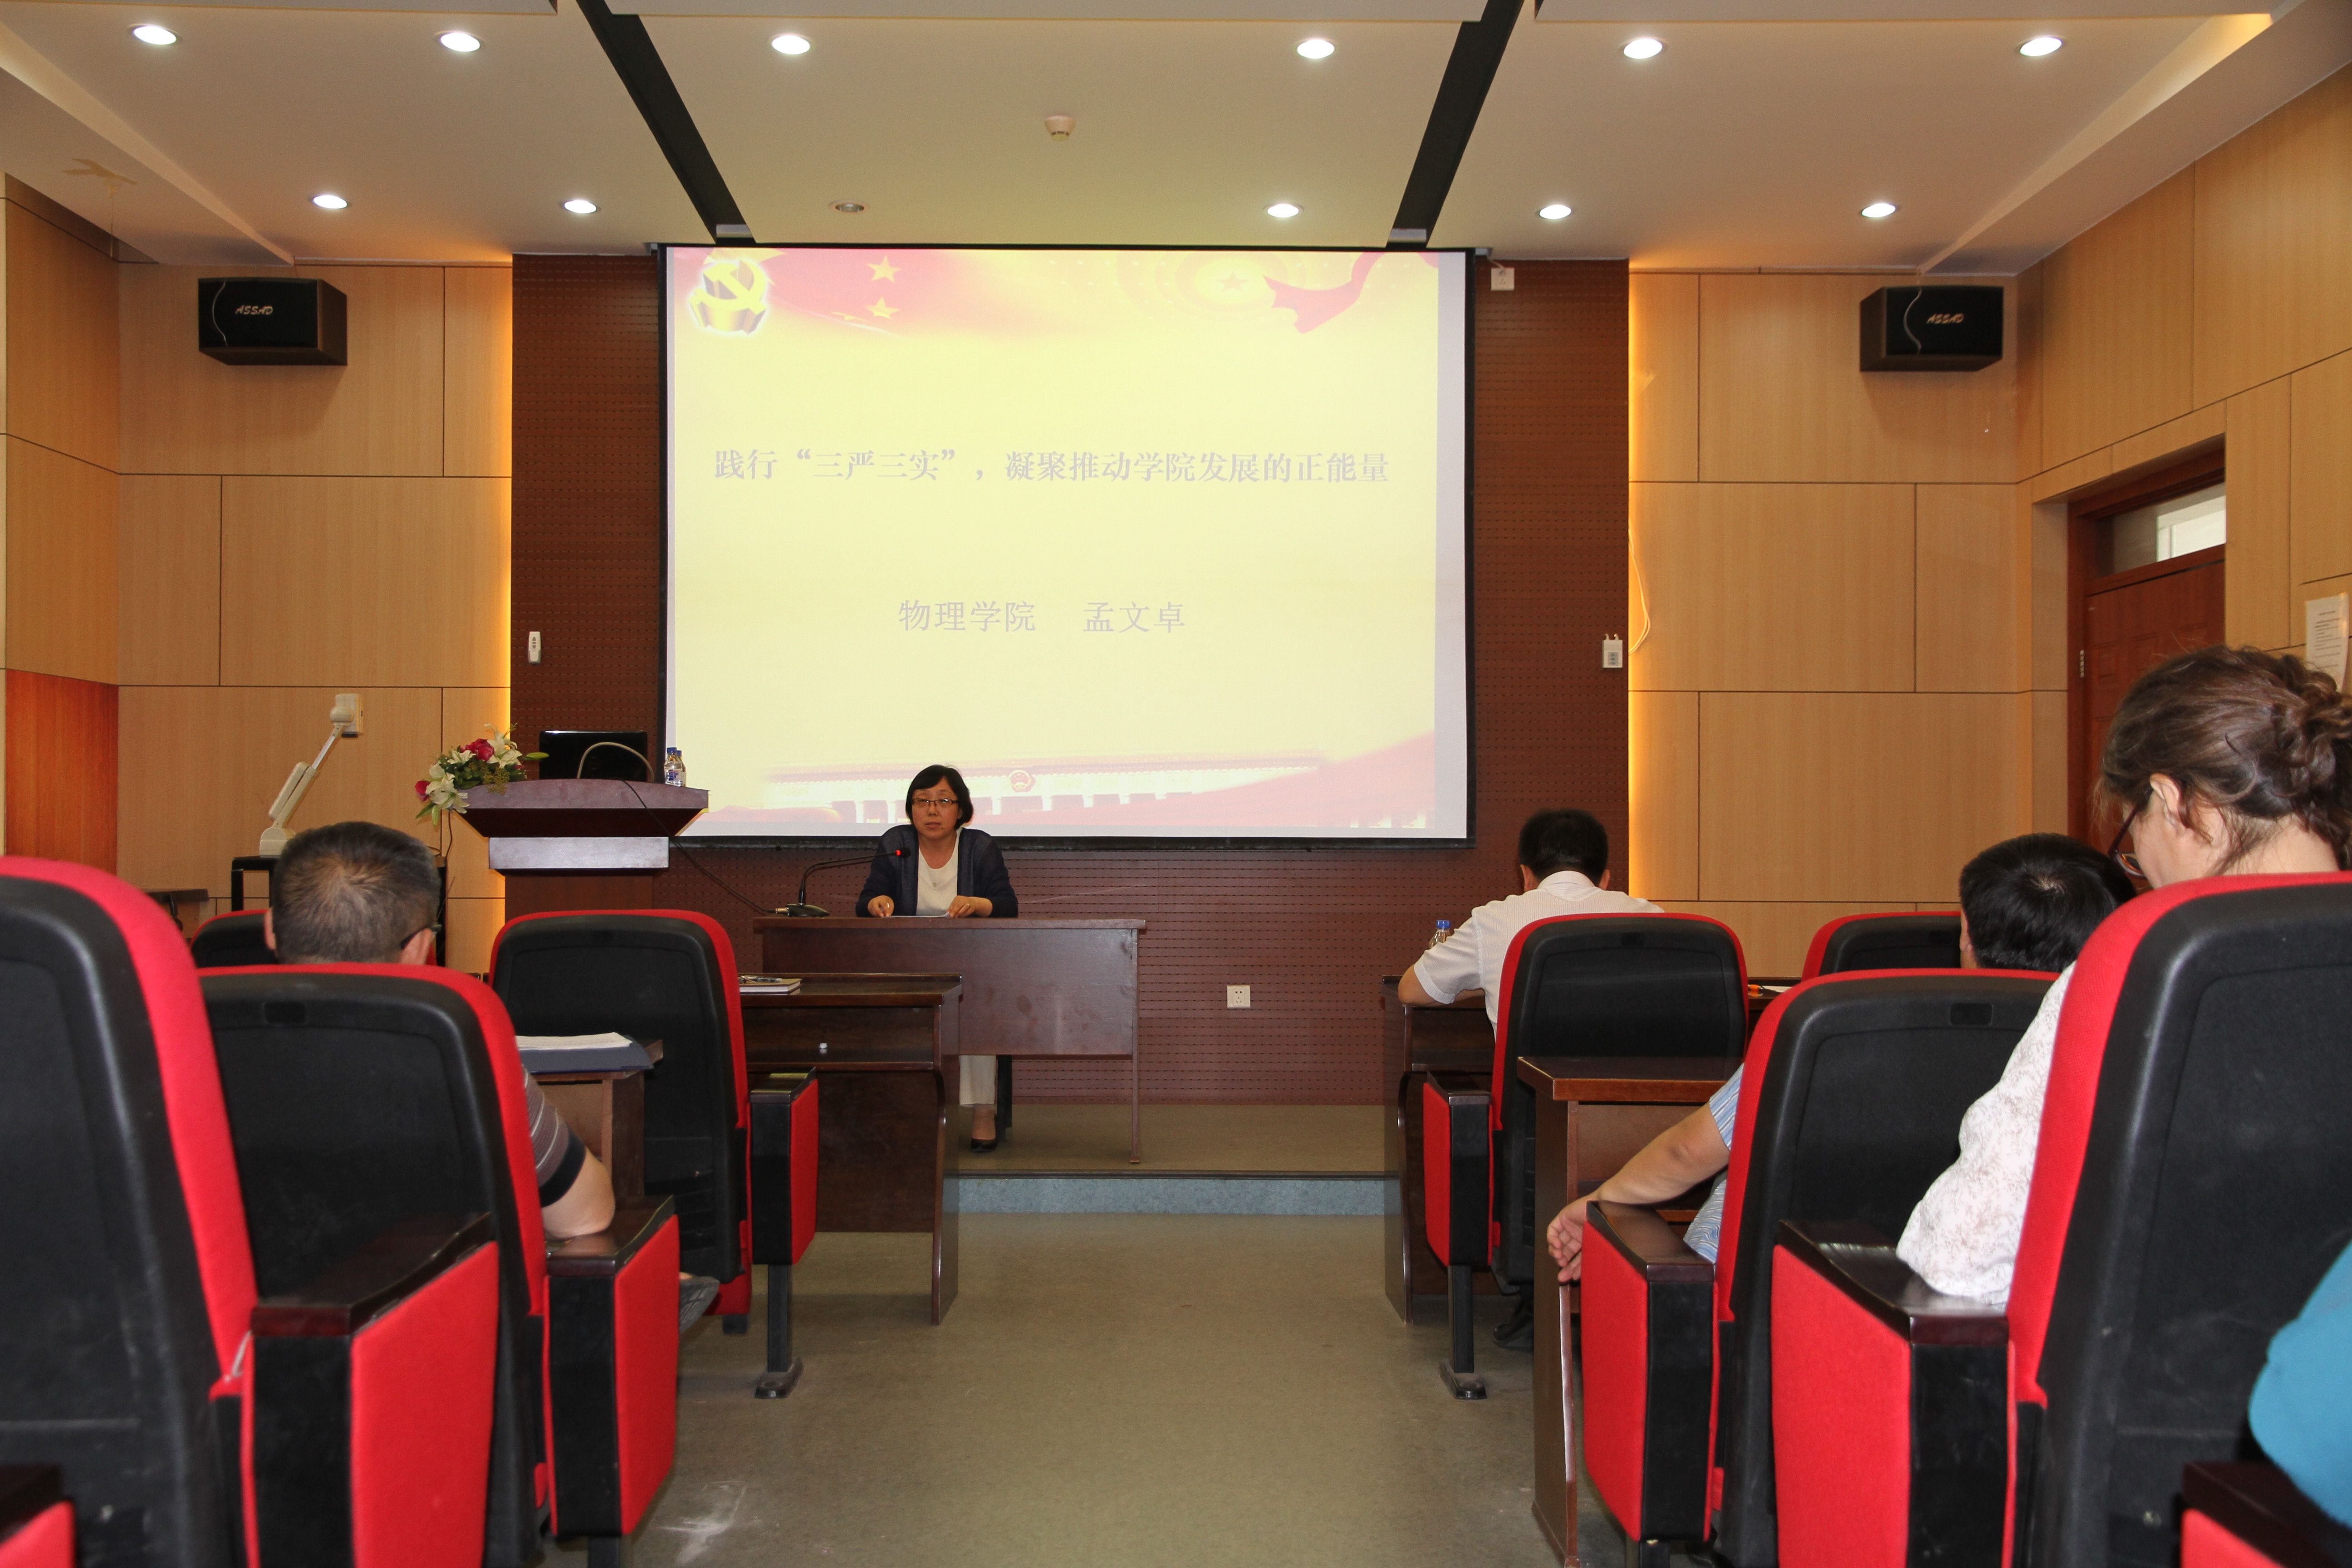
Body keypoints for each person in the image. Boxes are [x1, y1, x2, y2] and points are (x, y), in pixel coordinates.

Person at [1900, 646, 2350, 1303]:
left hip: (2168, 1358)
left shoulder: (2138, 974)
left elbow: (1959, 1259)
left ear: (2173, 802)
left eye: (2133, 831)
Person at [1544, 832, 2134, 1284]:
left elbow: (1687, 1153)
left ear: (1967, 937)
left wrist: (1600, 1201)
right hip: (1968, 1306)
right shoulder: (2119, 1047)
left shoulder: (1838, 1030)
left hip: (1758, 1294)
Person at [264, 819, 617, 1240]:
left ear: (269, 928)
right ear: (418, 948)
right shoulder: (457, 1040)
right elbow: (584, 1217)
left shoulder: (199, 1038)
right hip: (427, 1281)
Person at [1404, 808, 1658, 1347]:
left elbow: (1413, 990)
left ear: (1525, 874)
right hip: (1640, 1127)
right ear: (1606, 877)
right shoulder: (1654, 920)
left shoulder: (1497, 920)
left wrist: (1485, 980)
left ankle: (1534, 1298)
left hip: (1534, 1128)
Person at [858, 764, 1020, 1151]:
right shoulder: (896, 844)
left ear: (961, 810)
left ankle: (982, 1111)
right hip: (907, 964)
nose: (932, 810)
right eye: (923, 801)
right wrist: (877, 902)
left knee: (980, 1010)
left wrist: (978, 904)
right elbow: (866, 901)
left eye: (944, 801)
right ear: (911, 808)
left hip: (971, 963)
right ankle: (911, 1109)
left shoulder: (979, 847)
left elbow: (1007, 905)